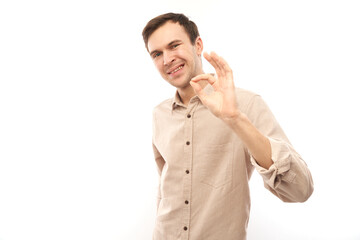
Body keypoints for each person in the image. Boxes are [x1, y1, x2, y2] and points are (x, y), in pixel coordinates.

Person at [142, 12, 314, 240]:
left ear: (198, 44)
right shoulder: (160, 114)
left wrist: (234, 119)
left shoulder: (245, 104)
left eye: (174, 45)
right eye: (157, 54)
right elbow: (166, 189)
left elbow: (300, 190)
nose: (167, 59)